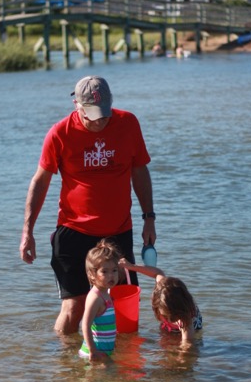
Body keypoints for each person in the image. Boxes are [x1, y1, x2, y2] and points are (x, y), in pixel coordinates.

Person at [19, 75, 156, 335]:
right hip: (73, 232)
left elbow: (139, 171)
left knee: (125, 304)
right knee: (74, 307)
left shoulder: (128, 123)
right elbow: (40, 181)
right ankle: (65, 368)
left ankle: (120, 370)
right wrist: (28, 231)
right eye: (91, 115)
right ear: (76, 105)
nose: (99, 121)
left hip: (118, 233)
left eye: (104, 114)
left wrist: (149, 217)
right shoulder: (60, 133)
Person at [119, 258, 202, 350]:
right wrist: (131, 266)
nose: (163, 318)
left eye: (166, 317)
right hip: (175, 311)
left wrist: (179, 358)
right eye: (163, 315)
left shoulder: (185, 320)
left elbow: (187, 345)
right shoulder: (162, 287)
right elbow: (157, 272)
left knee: (178, 342)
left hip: (186, 322)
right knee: (163, 340)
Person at [78, 239, 120, 362]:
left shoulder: (106, 294)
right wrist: (92, 351)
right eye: (104, 271)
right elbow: (85, 325)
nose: (111, 276)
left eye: (114, 270)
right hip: (94, 353)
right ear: (92, 274)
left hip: (104, 351)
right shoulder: (95, 298)